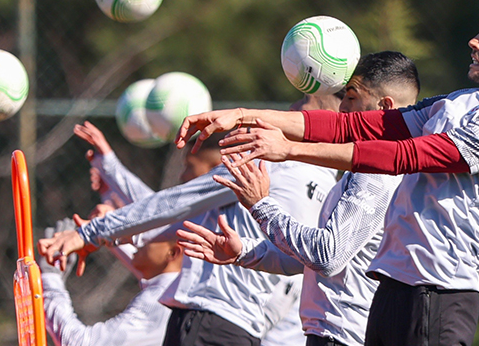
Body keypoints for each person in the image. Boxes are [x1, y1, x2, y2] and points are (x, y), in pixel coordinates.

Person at [175, 0, 479, 345]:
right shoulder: (459, 102)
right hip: (393, 292)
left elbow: (402, 156)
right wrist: (243, 115)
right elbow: (354, 127)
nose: (474, 41)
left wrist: (288, 150)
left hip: (438, 298)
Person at [38, 94, 341, 346]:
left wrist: (91, 233)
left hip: (207, 323)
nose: (291, 107)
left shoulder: (266, 163)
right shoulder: (332, 192)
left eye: (305, 100)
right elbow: (170, 216)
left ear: (327, 117)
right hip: (243, 334)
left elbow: (173, 204)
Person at [177, 52, 420, 346]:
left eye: (351, 98)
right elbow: (306, 262)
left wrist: (261, 206)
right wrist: (244, 251)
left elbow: (327, 256)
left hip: (343, 338)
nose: (341, 108)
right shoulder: (368, 170)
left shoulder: (379, 174)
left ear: (386, 107)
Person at [75, 121, 305, 346]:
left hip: (215, 326)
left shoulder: (232, 215)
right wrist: (109, 192)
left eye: (189, 165)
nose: (183, 176)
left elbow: (162, 211)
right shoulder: (271, 211)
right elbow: (157, 217)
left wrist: (111, 175)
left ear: (218, 165)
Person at [40, 218, 183, 346]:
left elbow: (82, 343)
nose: (137, 238)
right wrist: (99, 231)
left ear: (172, 253)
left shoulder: (161, 300)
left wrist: (49, 278)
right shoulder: (174, 292)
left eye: (149, 234)